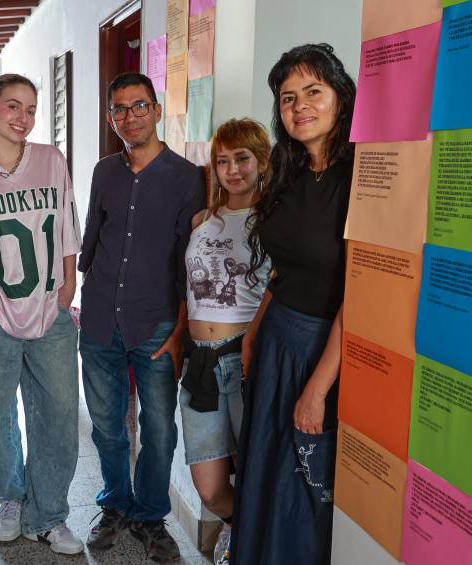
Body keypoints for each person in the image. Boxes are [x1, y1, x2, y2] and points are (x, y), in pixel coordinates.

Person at [230, 43, 356, 564]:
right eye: (287, 98)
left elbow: (363, 296)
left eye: (313, 91)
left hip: (323, 352)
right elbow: (281, 269)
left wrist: (319, 389)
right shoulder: (289, 172)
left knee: (304, 490)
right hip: (277, 342)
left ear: (340, 99)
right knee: (264, 476)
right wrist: (257, 330)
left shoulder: (363, 176)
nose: (300, 105)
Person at [79, 72, 205, 562]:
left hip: (155, 322)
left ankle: (150, 515)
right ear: (112, 118)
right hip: (99, 316)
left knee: (158, 428)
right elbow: (92, 234)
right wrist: (77, 295)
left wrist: (179, 329)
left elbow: (189, 259)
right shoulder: (103, 171)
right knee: (108, 424)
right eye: (119, 110)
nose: (129, 116)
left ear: (156, 110)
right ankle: (115, 504)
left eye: (138, 106)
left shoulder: (186, 176)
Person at [0, 73, 84, 555]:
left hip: (49, 306)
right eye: (13, 106)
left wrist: (71, 279)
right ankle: (11, 498)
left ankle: (49, 513)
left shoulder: (51, 161)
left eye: (31, 109)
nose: (24, 118)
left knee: (57, 413)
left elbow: (68, 222)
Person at [179, 118, 273, 562]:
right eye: (222, 160)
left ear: (262, 161)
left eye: (242, 158)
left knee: (257, 475)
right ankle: (244, 531)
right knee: (211, 488)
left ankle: (250, 547)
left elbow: (280, 292)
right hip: (197, 364)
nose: (232, 169)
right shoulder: (203, 219)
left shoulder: (273, 220)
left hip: (241, 360)